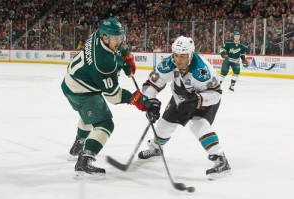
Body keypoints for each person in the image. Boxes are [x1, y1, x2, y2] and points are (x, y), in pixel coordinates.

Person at [61, 17, 155, 178]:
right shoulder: (104, 64)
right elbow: (114, 96)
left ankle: (79, 143)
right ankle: (86, 159)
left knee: (89, 115)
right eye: (116, 39)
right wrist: (139, 99)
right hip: (83, 90)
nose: (119, 41)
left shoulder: (98, 34)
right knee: (105, 123)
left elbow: (114, 50)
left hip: (70, 84)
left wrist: (124, 56)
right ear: (105, 38)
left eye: (121, 37)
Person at [137, 36, 231, 180]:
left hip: (204, 98)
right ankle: (157, 149)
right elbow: (151, 84)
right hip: (180, 97)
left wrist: (199, 99)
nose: (178, 60)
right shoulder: (167, 64)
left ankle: (220, 158)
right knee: (164, 125)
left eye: (182, 56)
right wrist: (152, 102)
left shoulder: (202, 71)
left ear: (191, 54)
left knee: (198, 124)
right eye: (176, 55)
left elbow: (216, 94)